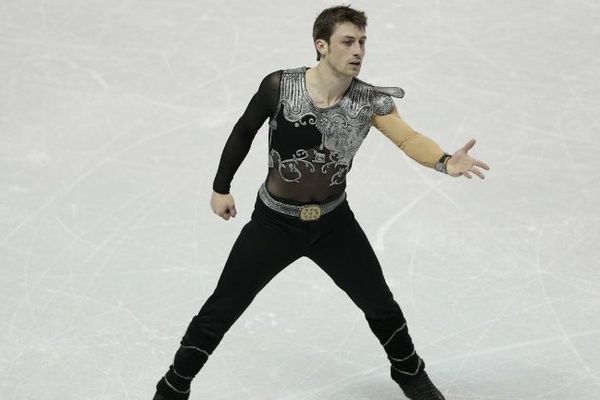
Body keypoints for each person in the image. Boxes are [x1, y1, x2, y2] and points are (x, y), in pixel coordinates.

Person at [153, 5, 489, 400]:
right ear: (322, 45)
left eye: (363, 42)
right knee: (222, 308)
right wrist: (221, 186)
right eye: (348, 41)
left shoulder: (371, 101)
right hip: (274, 225)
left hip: (333, 225)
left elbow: (407, 137)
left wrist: (445, 161)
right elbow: (244, 130)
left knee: (380, 304)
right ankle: (173, 387)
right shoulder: (280, 86)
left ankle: (409, 373)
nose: (358, 50)